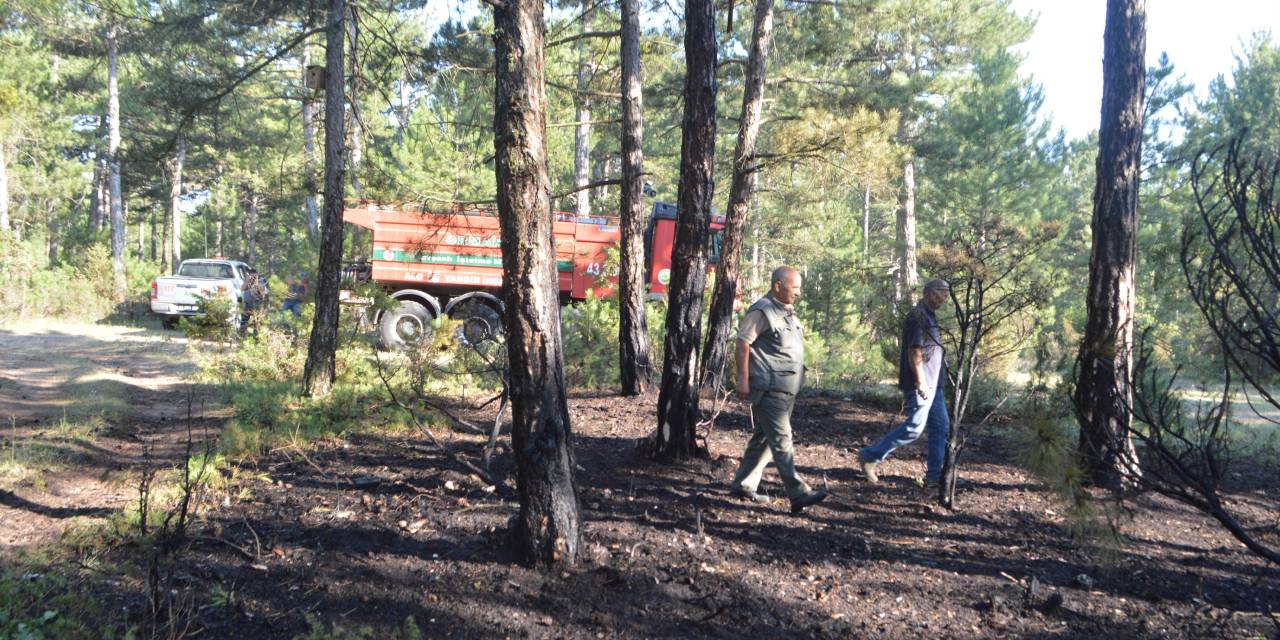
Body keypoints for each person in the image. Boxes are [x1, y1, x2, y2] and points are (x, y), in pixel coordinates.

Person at [728, 266, 829, 515]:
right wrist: (743, 380)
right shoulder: (762, 310)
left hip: (785, 390)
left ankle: (743, 484)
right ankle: (799, 493)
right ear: (777, 286)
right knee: (782, 440)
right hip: (769, 388)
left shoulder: (786, 312)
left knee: (763, 439)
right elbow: (743, 343)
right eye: (794, 288)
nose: (798, 293)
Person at [859, 278, 952, 489]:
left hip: (934, 385)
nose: (945, 299)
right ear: (929, 293)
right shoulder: (917, 316)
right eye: (942, 294)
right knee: (914, 428)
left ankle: (935, 476)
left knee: (940, 426)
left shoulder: (929, 315)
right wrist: (920, 382)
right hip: (922, 384)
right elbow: (914, 351)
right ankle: (869, 455)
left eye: (947, 295)